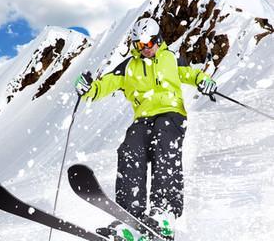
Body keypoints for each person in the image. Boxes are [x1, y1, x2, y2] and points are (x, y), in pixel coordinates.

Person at [74, 18, 218, 240]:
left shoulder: (171, 58)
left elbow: (192, 74)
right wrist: (87, 89)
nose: (146, 49)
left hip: (171, 114)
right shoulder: (129, 67)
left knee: (164, 143)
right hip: (143, 118)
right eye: (140, 45)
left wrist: (204, 81)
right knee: (129, 149)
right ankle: (130, 216)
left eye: (149, 43)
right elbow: (103, 86)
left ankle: (164, 211)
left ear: (157, 39)